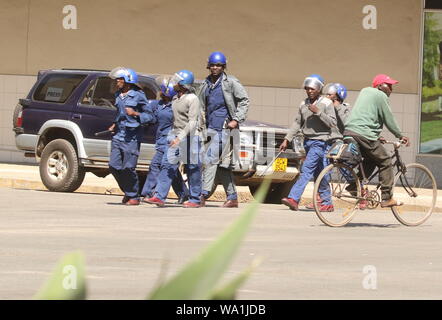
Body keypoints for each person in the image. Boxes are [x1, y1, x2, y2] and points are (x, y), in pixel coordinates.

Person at [343, 74, 410, 207]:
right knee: (385, 161)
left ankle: (353, 186)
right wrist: (400, 135)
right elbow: (388, 118)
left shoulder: (364, 91)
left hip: (350, 132)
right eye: (388, 85)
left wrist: (376, 135)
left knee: (371, 159)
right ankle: (386, 198)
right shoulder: (381, 96)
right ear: (379, 86)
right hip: (364, 135)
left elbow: (364, 116)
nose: (391, 89)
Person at [197, 51, 250, 208]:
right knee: (222, 165)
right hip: (209, 129)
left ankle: (203, 194)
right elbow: (200, 106)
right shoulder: (205, 84)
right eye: (212, 65)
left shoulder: (231, 82)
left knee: (210, 159)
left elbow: (244, 101)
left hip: (225, 129)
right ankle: (232, 197)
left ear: (223, 66)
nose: (215, 68)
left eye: (218, 65)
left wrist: (236, 119)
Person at [145, 70, 203, 208]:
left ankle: (195, 198)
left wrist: (180, 138)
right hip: (176, 135)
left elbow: (193, 122)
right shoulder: (176, 98)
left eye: (176, 81)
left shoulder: (192, 99)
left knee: (193, 168)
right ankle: (159, 196)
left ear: (183, 84)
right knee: (167, 164)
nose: (173, 83)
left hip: (191, 137)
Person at [279, 74, 337, 211]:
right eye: (307, 88)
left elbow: (333, 123)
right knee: (320, 173)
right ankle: (327, 203)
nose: (309, 91)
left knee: (307, 169)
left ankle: (293, 198)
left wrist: (318, 112)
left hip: (320, 142)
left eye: (312, 88)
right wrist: (287, 139)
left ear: (319, 89)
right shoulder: (303, 103)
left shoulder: (326, 103)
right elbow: (297, 122)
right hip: (308, 141)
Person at [108, 67, 155, 205]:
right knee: (114, 166)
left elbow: (150, 117)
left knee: (128, 167)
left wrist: (135, 114)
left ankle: (133, 196)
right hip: (118, 135)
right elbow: (119, 114)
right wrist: (114, 124)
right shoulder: (118, 95)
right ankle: (129, 191)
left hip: (132, 137)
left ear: (127, 81)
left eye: (120, 79)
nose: (117, 82)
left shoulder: (138, 95)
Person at [140, 78, 189, 204]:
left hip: (172, 140)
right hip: (161, 140)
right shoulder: (158, 105)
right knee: (165, 167)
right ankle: (183, 193)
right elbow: (152, 118)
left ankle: (149, 193)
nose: (164, 94)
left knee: (161, 166)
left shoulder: (176, 105)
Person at [304, 82, 351, 209]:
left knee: (343, 167)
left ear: (338, 96)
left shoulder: (344, 108)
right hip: (324, 141)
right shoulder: (324, 105)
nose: (326, 97)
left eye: (330, 95)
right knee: (319, 170)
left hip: (337, 141)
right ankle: (322, 198)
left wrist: (337, 107)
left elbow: (346, 124)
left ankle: (358, 189)